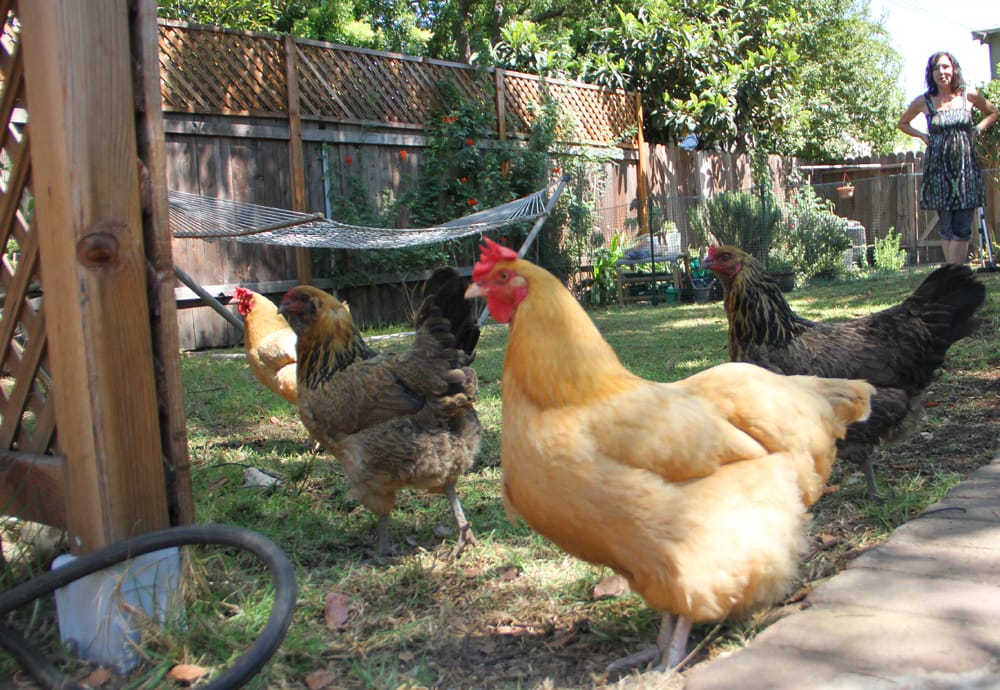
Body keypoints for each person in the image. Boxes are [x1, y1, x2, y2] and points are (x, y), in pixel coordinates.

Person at [898, 51, 998, 265]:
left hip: (966, 169)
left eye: (945, 67)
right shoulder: (923, 101)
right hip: (938, 171)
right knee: (946, 226)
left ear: (954, 70)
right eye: (936, 68)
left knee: (962, 225)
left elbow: (993, 112)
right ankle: (954, 279)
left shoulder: (967, 95)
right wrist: (923, 136)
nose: (941, 72)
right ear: (931, 73)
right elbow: (903, 123)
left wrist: (977, 129)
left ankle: (952, 278)